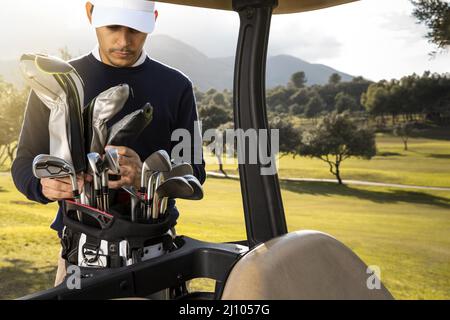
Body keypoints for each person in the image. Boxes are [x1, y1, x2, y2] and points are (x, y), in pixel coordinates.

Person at [11, 0, 205, 287]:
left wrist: (144, 175)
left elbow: (195, 170)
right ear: (90, 13)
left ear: (153, 19)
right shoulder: (58, 82)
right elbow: (24, 163)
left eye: (136, 29)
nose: (124, 41)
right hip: (79, 249)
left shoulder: (177, 86)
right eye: (113, 27)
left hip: (157, 249)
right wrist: (41, 185)